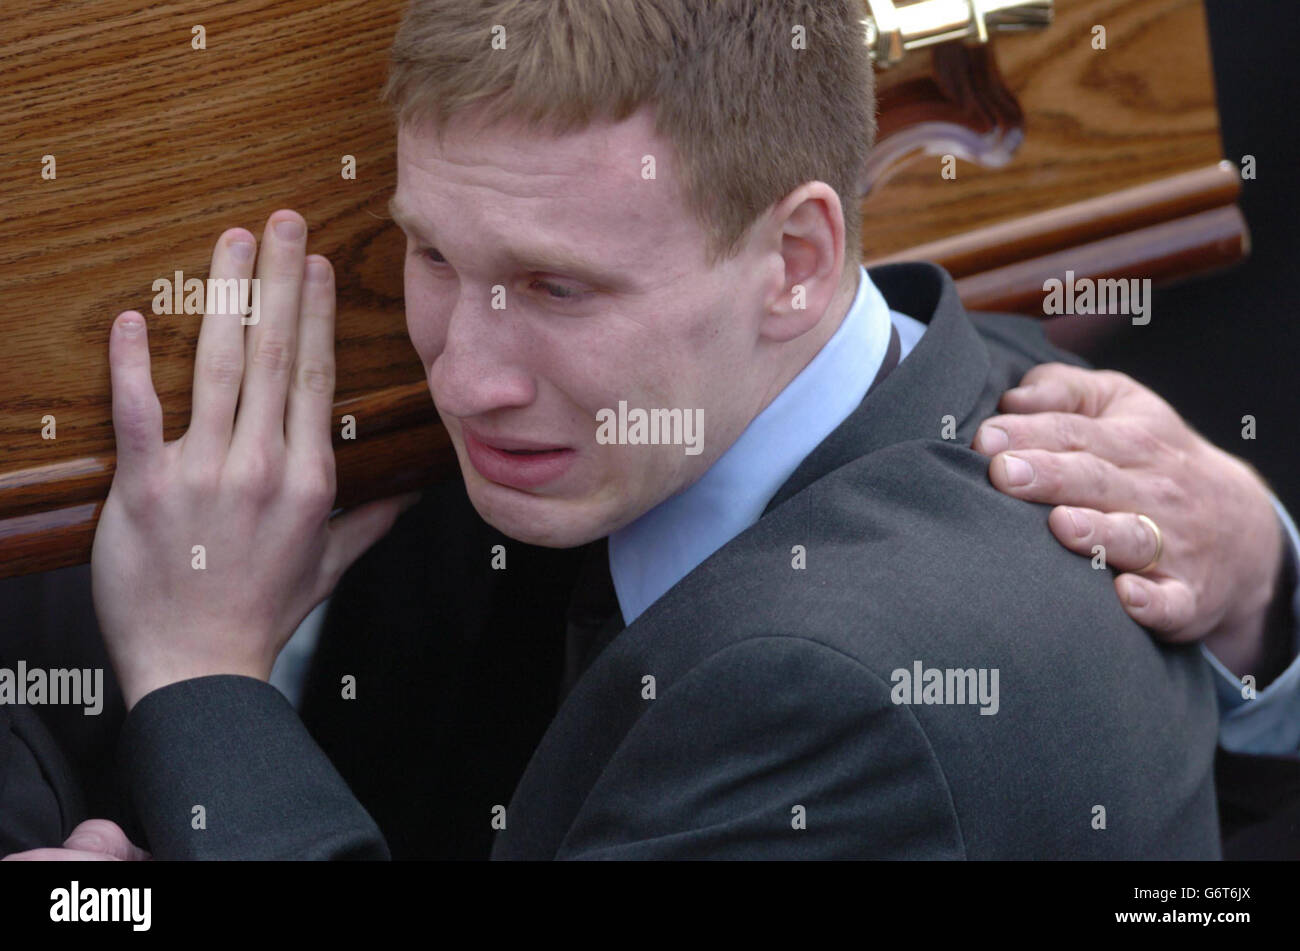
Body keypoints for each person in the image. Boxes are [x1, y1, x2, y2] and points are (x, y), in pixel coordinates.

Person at [6, 0, 1297, 860]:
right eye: (432, 253)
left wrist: (199, 675)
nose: (465, 375)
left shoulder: (824, 694)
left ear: (795, 259)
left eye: (561, 288)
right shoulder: (956, 372)